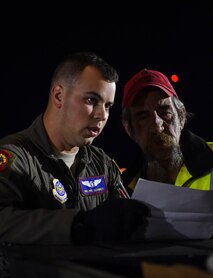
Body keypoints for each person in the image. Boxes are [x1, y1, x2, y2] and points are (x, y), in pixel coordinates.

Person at [0, 52, 146, 245]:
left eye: (108, 106)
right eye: (91, 100)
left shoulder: (102, 163)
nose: (102, 115)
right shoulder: (15, 157)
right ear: (59, 96)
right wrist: (75, 225)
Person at [121, 68, 213, 196]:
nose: (157, 127)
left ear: (181, 116)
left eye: (165, 112)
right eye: (143, 117)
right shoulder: (122, 189)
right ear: (129, 129)